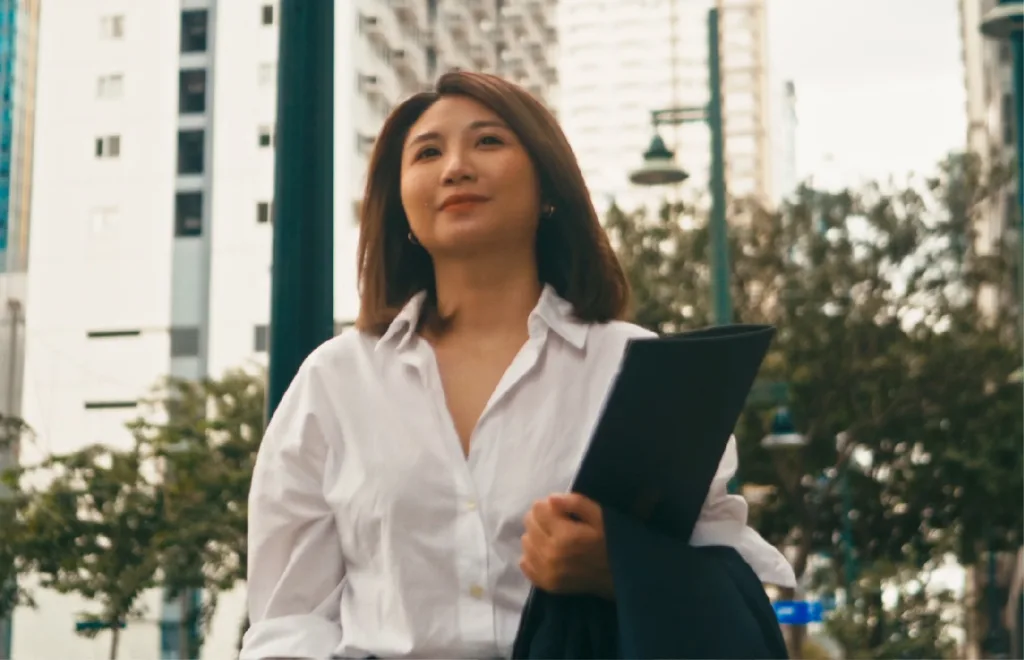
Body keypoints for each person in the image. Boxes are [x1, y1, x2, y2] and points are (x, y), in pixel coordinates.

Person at [241, 70, 795, 660]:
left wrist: (619, 569)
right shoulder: (334, 383)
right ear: (401, 206)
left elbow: (718, 585)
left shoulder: (638, 369)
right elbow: (290, 619)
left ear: (548, 185)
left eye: (488, 142)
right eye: (427, 153)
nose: (455, 166)